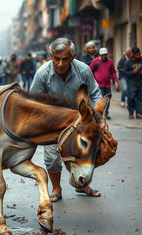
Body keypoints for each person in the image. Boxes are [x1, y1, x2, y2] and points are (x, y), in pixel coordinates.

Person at [30, 37, 106, 203]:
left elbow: (94, 93)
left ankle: (82, 185)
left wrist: (99, 118)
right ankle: (56, 187)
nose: (60, 63)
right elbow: (33, 101)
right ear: (51, 56)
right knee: (52, 158)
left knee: (81, 154)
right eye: (56, 59)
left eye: (65, 59)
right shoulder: (43, 74)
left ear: (72, 57)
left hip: (78, 122)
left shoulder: (84, 70)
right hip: (52, 123)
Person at [90, 47, 118, 120]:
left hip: (108, 84)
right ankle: (99, 113)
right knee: (100, 99)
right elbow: (89, 71)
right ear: (100, 55)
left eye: (105, 55)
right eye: (102, 55)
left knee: (108, 99)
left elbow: (113, 72)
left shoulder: (110, 62)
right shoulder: (95, 61)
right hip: (99, 84)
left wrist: (116, 81)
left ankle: (106, 113)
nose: (104, 56)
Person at [123, 47, 142, 119]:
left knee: (140, 98)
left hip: (140, 83)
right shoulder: (128, 62)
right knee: (131, 98)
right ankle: (131, 112)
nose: (139, 55)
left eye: (140, 53)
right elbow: (124, 72)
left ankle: (138, 113)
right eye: (138, 54)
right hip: (132, 84)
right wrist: (132, 72)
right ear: (133, 55)